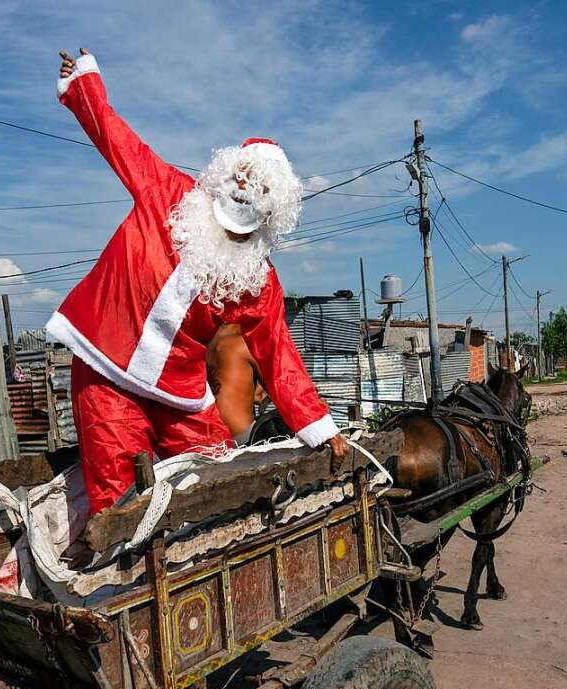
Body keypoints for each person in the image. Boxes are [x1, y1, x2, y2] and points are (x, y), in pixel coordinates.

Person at [47, 48, 346, 516]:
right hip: (106, 371)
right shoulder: (166, 191)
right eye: (242, 180)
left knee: (221, 482)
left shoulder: (257, 279)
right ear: (224, 177)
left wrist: (319, 427)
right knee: (122, 508)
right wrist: (84, 83)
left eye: (258, 192)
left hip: (180, 393)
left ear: (271, 214)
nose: (245, 191)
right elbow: (115, 137)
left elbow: (277, 353)